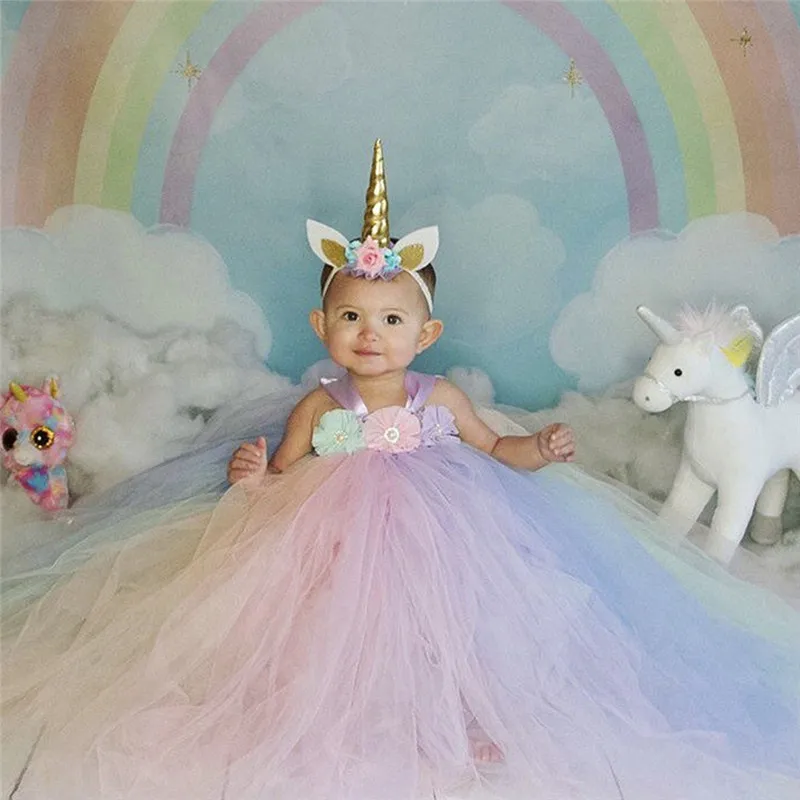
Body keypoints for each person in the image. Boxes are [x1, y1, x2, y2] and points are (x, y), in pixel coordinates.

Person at [2, 142, 799, 800]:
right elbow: (281, 476)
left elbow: (493, 450)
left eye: (390, 320)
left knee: (459, 619)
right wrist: (253, 475)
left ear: (426, 335)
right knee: (323, 621)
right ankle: (323, 705)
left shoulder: (439, 396)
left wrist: (539, 448)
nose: (369, 334)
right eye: (350, 316)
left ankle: (472, 713)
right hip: (332, 529)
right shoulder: (318, 407)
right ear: (323, 325)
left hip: (441, 523)